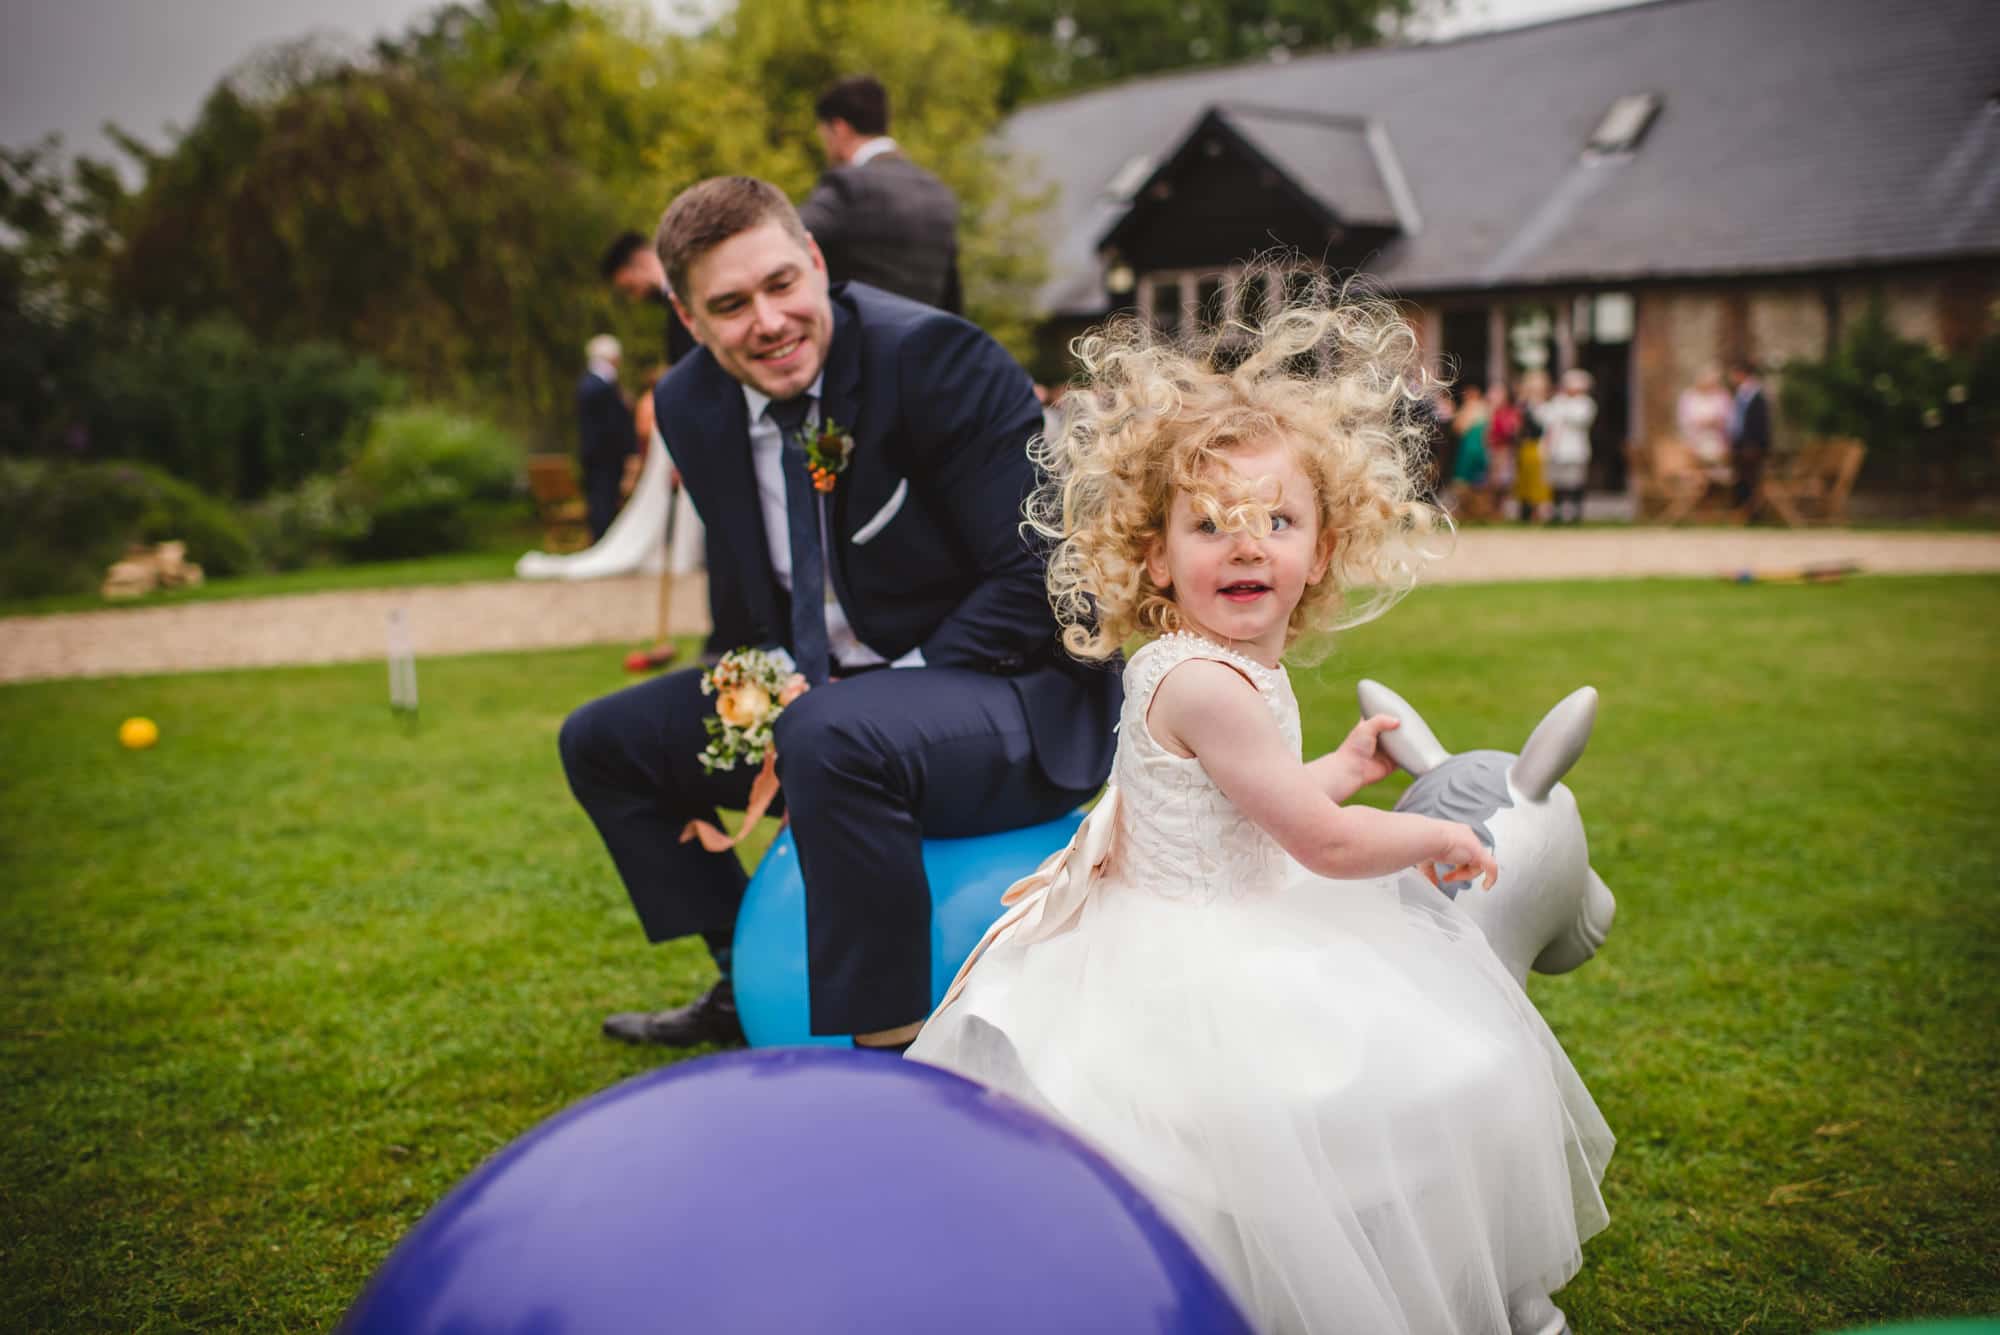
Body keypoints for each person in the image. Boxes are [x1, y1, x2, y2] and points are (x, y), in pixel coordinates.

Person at [908, 298, 1613, 1334]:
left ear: (1321, 551)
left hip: (1226, 898)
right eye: (1208, 527)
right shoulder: (1204, 683)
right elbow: (1317, 847)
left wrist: (1333, 764)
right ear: (1154, 558)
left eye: (1274, 523)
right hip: (1188, 953)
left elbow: (1241, 808)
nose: (1244, 549)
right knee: (1279, 1115)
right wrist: (1436, 833)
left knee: (1362, 1098)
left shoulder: (1225, 669)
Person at [560, 176, 1120, 1051]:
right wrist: (762, 678)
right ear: (687, 314)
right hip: (822, 697)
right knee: (604, 738)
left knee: (831, 731)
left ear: (816, 262)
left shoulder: (938, 360)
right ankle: (735, 980)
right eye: (731, 304)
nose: (769, 321)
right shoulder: (688, 404)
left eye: (783, 284)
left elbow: (1036, 581)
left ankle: (886, 1043)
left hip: (1015, 696)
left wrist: (862, 695)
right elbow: (751, 584)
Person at [602, 228, 750, 659]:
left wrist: (692, 444)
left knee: (727, 540)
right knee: (722, 539)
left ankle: (730, 636)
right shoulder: (677, 306)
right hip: (709, 439)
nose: (632, 296)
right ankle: (728, 632)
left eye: (627, 286)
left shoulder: (694, 301)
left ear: (636, 264)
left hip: (723, 439)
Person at [798, 75, 963, 314]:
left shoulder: (847, 185)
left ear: (839, 128)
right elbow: (952, 299)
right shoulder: (939, 193)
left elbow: (790, 237)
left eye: (824, 135)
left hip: (860, 345)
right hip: (923, 345)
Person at [575, 335, 634, 541]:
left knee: (603, 499)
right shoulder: (599, 386)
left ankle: (603, 539)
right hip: (604, 455)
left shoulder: (594, 383)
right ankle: (602, 540)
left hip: (597, 454)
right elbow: (613, 425)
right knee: (603, 500)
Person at [1539, 368, 1598, 525]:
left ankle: (1574, 513)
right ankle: (1557, 513)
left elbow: (1578, 419)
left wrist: (1561, 406)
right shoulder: (1558, 401)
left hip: (1575, 451)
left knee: (1574, 483)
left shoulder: (1586, 403)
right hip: (1556, 451)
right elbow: (1543, 416)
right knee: (1557, 484)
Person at [1677, 364, 1735, 484]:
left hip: (1717, 440)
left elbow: (1729, 418)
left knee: (1719, 471)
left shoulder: (1722, 396)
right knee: (1695, 472)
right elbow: (1684, 420)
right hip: (1695, 440)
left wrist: (1716, 422)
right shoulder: (1688, 396)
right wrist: (1699, 424)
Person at [1727, 357, 1771, 513]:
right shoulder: (1742, 393)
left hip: (1752, 445)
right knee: (1742, 477)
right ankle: (1742, 510)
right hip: (1741, 443)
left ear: (1741, 374)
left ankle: (1752, 511)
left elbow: (1759, 422)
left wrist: (1753, 444)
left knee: (1752, 478)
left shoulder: (1755, 394)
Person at [1512, 368, 1553, 523]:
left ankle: (1539, 512)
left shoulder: (1546, 406)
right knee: (1524, 480)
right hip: (1525, 446)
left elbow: (1546, 428)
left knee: (1539, 480)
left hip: (1539, 446)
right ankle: (1526, 511)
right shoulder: (1523, 405)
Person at [1486, 379, 1522, 513]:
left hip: (1504, 451)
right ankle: (1491, 509)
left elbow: (1513, 431)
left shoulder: (1510, 412)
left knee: (1503, 482)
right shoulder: (1488, 411)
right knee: (1491, 482)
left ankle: (1500, 509)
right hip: (1491, 450)